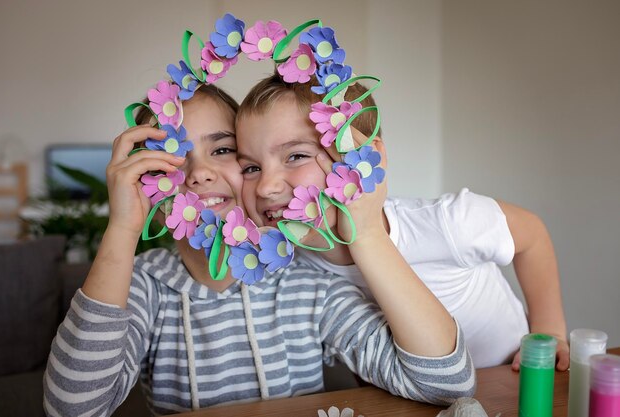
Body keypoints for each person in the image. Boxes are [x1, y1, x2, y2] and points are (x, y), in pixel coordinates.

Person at [43, 84, 475, 416]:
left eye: (223, 150)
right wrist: (122, 227)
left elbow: (446, 385)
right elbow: (72, 409)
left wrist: (367, 233)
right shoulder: (143, 286)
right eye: (170, 158)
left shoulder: (305, 280)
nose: (199, 173)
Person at [235, 72, 568, 370]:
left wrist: (548, 331)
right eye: (251, 167)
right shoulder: (288, 267)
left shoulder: (449, 224)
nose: (266, 186)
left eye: (296, 156)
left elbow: (532, 236)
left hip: (512, 377)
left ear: (368, 159)